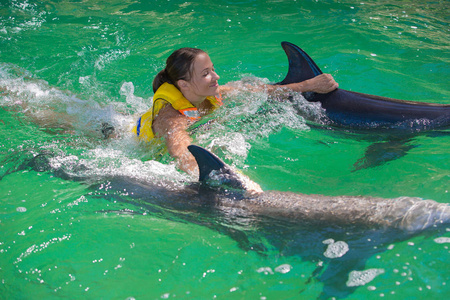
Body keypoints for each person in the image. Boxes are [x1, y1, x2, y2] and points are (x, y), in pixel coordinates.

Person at [133, 47, 338, 176]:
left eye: (213, 69)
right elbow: (181, 151)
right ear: (183, 85)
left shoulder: (211, 94)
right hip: (131, 138)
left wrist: (308, 85)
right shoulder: (172, 118)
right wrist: (227, 175)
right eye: (206, 74)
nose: (216, 76)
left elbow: (260, 91)